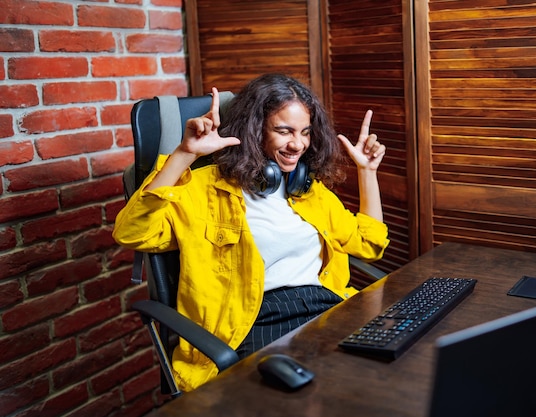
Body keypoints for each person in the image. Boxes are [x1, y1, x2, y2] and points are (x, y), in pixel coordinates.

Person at [113, 73, 390, 391]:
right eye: (283, 131)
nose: (297, 144)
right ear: (255, 129)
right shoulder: (202, 189)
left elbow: (369, 244)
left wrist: (367, 172)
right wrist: (185, 154)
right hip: (254, 320)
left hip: (327, 307)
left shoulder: (306, 190)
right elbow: (132, 233)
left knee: (384, 375)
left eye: (304, 132)